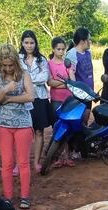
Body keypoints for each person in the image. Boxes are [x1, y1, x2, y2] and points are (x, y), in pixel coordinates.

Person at [0, 44, 35, 209]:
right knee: (7, 162)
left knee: (23, 162)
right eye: (4, 65)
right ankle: (8, 197)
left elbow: (30, 96)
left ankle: (25, 196)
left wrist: (8, 98)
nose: (8, 68)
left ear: (16, 62)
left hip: (23, 123)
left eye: (10, 65)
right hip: (2, 124)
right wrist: (7, 89)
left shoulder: (24, 74)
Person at [19, 30, 52, 174]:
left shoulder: (42, 59)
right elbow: (16, 76)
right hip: (23, 99)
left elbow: (44, 77)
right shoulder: (17, 59)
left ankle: (36, 161)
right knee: (23, 132)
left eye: (32, 42)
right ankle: (20, 163)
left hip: (40, 98)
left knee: (39, 131)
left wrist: (27, 80)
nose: (29, 45)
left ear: (35, 43)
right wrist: (31, 80)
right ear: (22, 43)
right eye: (26, 42)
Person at [47, 37, 75, 168]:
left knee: (68, 129)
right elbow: (50, 82)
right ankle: (56, 156)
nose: (61, 51)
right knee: (57, 128)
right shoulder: (49, 64)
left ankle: (67, 156)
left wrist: (64, 83)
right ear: (53, 49)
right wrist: (65, 83)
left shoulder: (67, 63)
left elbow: (72, 82)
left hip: (68, 100)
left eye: (63, 49)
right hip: (56, 100)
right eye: (58, 49)